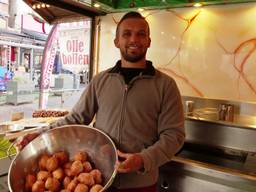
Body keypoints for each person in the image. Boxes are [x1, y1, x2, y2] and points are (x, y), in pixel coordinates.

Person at [18, 11, 185, 192]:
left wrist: (143, 160)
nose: (134, 39)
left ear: (149, 41)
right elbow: (76, 119)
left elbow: (174, 136)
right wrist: (40, 134)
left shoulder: (165, 85)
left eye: (141, 34)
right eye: (127, 34)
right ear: (117, 41)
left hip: (141, 183)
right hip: (100, 181)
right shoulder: (101, 80)